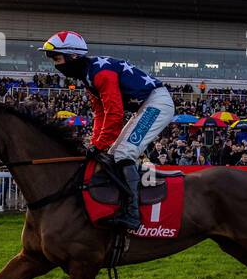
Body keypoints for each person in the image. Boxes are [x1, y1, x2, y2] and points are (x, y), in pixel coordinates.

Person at [39, 30, 175, 231]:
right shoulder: (87, 76)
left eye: (58, 59)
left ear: (73, 56)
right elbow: (100, 115)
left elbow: (114, 113)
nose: (56, 65)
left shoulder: (100, 73)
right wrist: (96, 145)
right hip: (145, 105)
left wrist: (99, 144)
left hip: (157, 103)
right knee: (111, 154)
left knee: (123, 152)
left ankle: (133, 215)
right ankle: (120, 206)